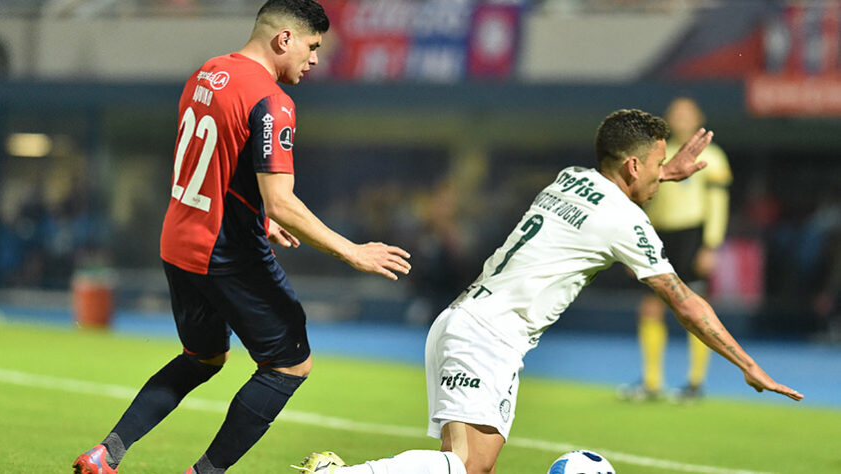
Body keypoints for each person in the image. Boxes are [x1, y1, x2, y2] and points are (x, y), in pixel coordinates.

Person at [292, 109, 802, 474]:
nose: (662, 172)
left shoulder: (570, 178)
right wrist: (746, 364)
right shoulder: (628, 221)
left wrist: (664, 172)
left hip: (461, 321)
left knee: (466, 469)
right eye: (657, 162)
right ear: (632, 167)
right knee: (467, 468)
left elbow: (620, 188)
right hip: (488, 338)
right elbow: (685, 302)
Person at [73, 1, 411, 473]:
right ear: (284, 39)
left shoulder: (206, 73)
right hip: (225, 252)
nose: (314, 60)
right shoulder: (272, 101)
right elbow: (283, 202)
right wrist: (351, 250)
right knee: (290, 363)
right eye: (312, 47)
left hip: (178, 242)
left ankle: (105, 453)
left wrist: (257, 213)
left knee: (203, 356)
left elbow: (213, 165)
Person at [620, 96, 732, 402]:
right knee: (650, 308)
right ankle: (652, 382)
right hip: (657, 235)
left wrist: (711, 245)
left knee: (695, 310)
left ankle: (695, 383)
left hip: (693, 236)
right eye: (676, 113)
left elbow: (718, 204)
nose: (681, 118)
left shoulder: (715, 157)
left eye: (687, 113)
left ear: (698, 117)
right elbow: (640, 199)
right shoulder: (656, 154)